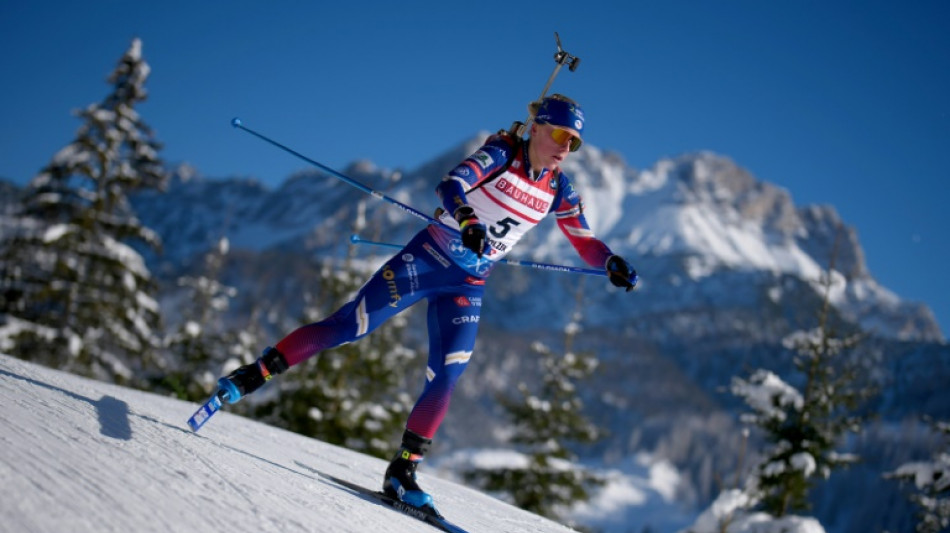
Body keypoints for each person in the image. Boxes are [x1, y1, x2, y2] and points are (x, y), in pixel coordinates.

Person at [216, 94, 638, 515]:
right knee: (350, 326)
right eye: (561, 135)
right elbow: (450, 185)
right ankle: (254, 373)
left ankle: (402, 472)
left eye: (574, 142)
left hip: (469, 284)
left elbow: (584, 241)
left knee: (448, 373)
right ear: (537, 127)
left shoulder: (559, 188)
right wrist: (468, 219)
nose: (566, 147)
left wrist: (610, 262)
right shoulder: (502, 153)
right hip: (427, 260)